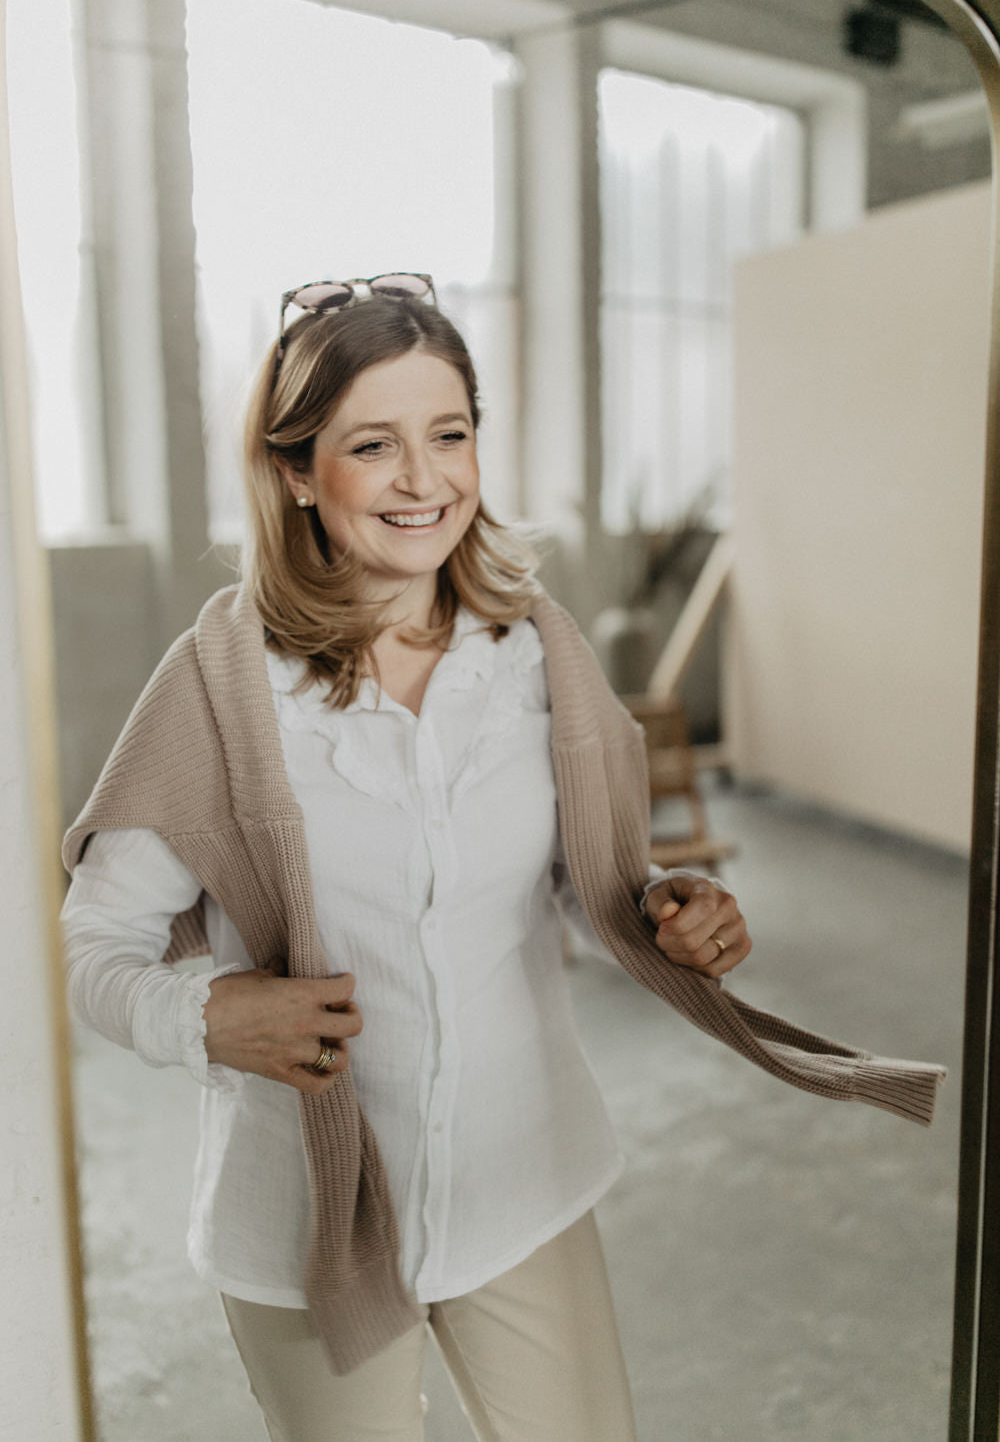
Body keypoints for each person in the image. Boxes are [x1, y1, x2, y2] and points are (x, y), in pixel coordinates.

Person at [61, 274, 944, 1442]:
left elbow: (599, 889)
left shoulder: (540, 660)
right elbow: (92, 949)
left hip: (522, 1183)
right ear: (293, 472)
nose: (424, 481)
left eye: (451, 434)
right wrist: (209, 1018)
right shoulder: (217, 688)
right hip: (303, 1223)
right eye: (373, 445)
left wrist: (678, 913)